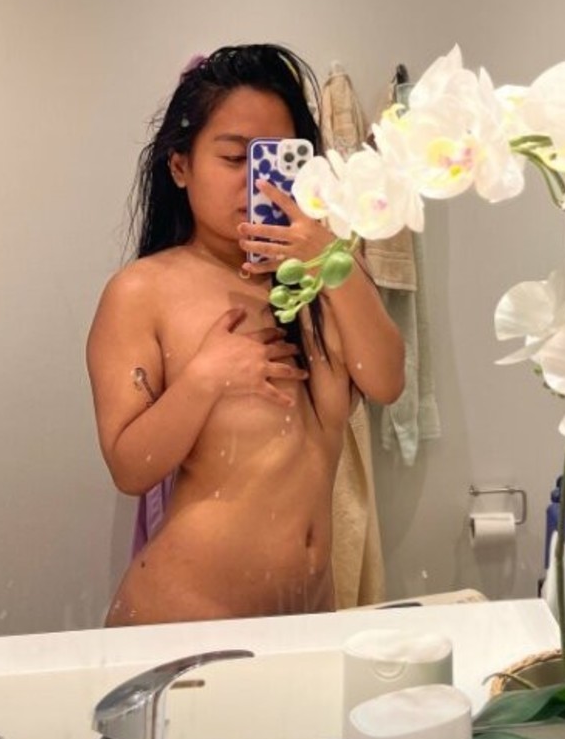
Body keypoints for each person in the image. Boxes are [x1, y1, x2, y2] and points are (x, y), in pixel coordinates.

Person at [86, 44, 404, 625]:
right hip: (184, 622)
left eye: (277, 157)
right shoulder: (143, 291)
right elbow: (131, 468)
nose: (257, 179)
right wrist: (206, 378)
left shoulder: (327, 271)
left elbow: (386, 381)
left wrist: (329, 259)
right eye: (235, 158)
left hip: (306, 620)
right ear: (180, 167)